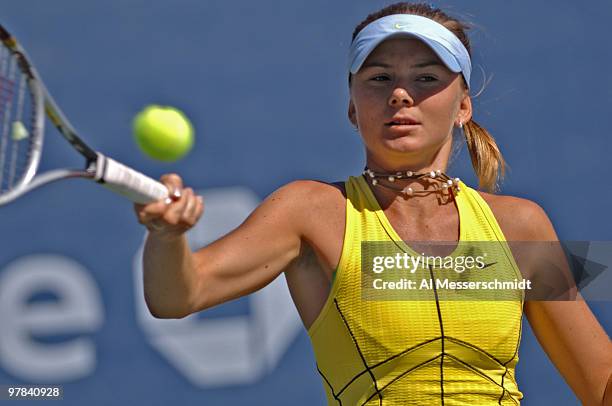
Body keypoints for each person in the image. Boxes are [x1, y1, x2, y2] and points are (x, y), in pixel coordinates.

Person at [133, 2, 612, 405]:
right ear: (351, 106)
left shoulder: (520, 226)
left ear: (463, 106)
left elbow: (600, 384)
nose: (401, 94)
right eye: (379, 78)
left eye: (426, 78)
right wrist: (167, 235)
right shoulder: (310, 212)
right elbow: (177, 297)